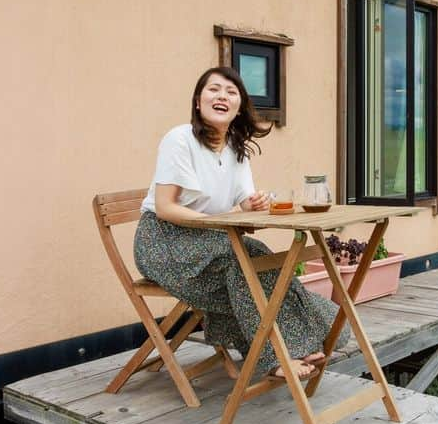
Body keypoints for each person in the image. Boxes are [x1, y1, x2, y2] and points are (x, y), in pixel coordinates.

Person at [134, 66, 348, 379]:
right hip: (163, 242)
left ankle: (293, 344)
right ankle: (277, 355)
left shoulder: (236, 149)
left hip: (213, 240)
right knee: (242, 265)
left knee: (260, 256)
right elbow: (165, 208)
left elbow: (245, 212)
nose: (222, 96)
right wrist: (219, 222)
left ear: (238, 107)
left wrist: (251, 204)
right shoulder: (179, 140)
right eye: (214, 89)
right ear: (198, 101)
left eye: (231, 92)